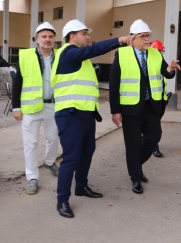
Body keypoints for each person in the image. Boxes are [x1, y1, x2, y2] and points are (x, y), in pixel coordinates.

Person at [51, 19, 131, 218]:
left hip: (85, 114)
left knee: (87, 152)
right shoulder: (68, 53)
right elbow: (94, 49)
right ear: (72, 36)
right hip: (70, 114)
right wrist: (120, 40)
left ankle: (81, 186)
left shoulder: (80, 58)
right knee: (71, 157)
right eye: (84, 34)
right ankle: (62, 200)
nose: (88, 37)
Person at [109, 20, 180, 195]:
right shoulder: (122, 54)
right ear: (133, 38)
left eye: (148, 36)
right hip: (130, 108)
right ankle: (135, 177)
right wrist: (115, 110)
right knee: (132, 144)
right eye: (143, 36)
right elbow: (113, 84)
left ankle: (135, 165)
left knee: (154, 137)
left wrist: (171, 69)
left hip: (151, 106)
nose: (147, 39)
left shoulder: (155, 54)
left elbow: (166, 73)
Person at [11, 22, 60, 195]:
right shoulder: (25, 56)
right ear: (36, 39)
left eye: (50, 36)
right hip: (30, 107)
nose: (47, 40)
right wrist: (16, 107)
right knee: (30, 144)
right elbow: (18, 83)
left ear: (54, 39)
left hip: (53, 106)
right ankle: (32, 177)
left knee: (53, 139)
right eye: (44, 37)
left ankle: (49, 162)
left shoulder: (59, 56)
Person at [149, 39, 173, 158]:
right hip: (151, 102)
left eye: (162, 51)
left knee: (154, 125)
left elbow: (168, 75)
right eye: (160, 50)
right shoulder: (149, 62)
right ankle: (153, 147)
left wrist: (165, 99)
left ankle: (148, 143)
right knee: (154, 126)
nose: (162, 53)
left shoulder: (160, 61)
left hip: (161, 101)